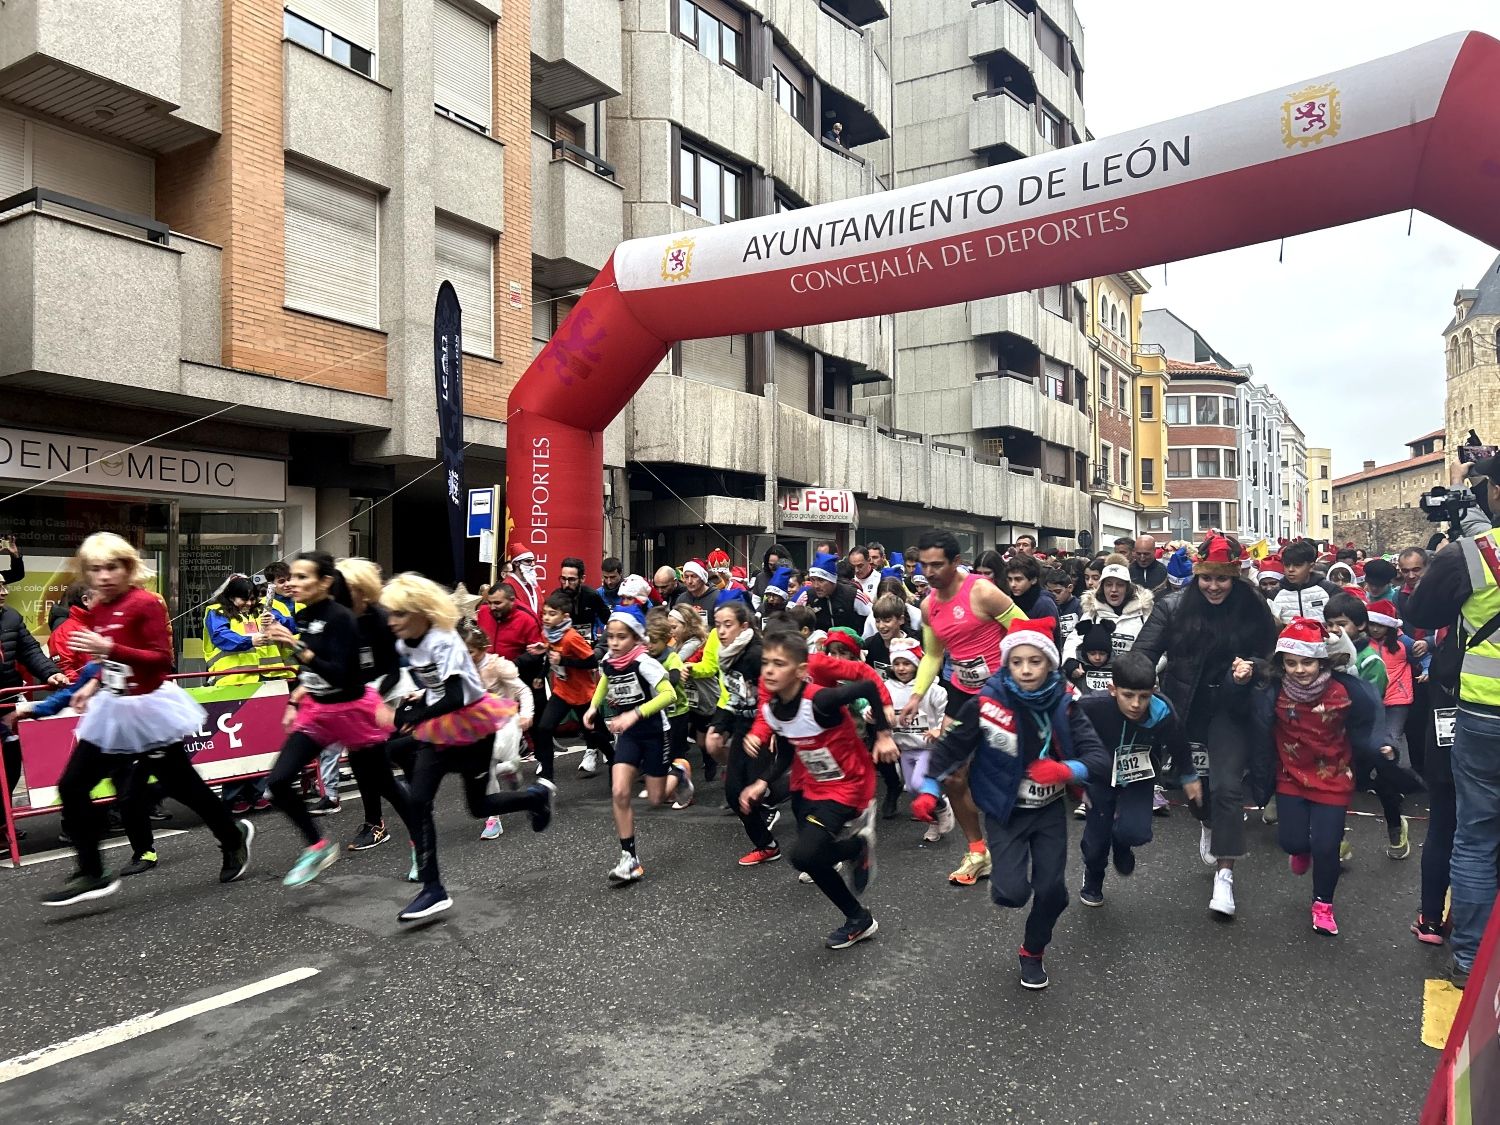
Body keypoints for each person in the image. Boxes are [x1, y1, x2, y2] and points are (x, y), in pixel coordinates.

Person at [44, 533, 252, 906]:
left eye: (112, 567)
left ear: (127, 567)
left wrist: (108, 649)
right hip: (113, 708)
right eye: (95, 569)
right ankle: (92, 871)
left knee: (184, 786)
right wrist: (91, 685)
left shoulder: (145, 603)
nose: (104, 576)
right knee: (73, 786)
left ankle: (232, 835)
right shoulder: (100, 608)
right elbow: (111, 663)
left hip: (149, 709)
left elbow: (159, 661)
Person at [915, 619, 1110, 989]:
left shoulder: (1066, 706)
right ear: (1006, 664)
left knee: (1053, 892)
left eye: (1035, 661)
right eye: (1017, 661)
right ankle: (1006, 879)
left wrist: (1065, 769)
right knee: (1011, 893)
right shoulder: (986, 704)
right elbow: (950, 748)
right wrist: (928, 788)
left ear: (1050, 664)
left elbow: (1098, 757)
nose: (1025, 669)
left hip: (1049, 812)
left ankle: (1032, 951)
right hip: (1005, 811)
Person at [381, 573, 556, 921]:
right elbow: (393, 670)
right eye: (391, 613)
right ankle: (433, 889)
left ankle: (535, 796)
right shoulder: (405, 641)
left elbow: (458, 695)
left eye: (400, 613)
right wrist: (390, 698)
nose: (393, 621)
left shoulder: (444, 640)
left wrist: (417, 714)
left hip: (472, 726)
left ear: (419, 612)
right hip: (438, 728)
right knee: (418, 800)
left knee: (478, 807)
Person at [1132, 533, 1280, 919]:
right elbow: (1143, 655)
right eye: (1207, 578)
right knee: (1195, 790)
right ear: (1197, 576)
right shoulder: (1172, 607)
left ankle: (1225, 875)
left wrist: (1252, 668)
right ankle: (1209, 822)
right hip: (1185, 709)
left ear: (1235, 578)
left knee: (1229, 787)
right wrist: (1131, 689)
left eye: (1222, 579)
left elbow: (1272, 657)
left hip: (1231, 708)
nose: (1214, 586)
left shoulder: (1254, 606)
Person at [259, 553, 412, 889]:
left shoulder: (363, 619)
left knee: (380, 780)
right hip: (320, 710)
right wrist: (294, 696)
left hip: (358, 707)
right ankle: (319, 844)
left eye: (302, 577)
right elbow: (311, 666)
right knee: (278, 783)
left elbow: (355, 673)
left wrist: (295, 645)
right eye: (292, 577)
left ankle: (420, 844)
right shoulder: (306, 614)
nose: (293, 584)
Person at [1405, 452, 1500, 988]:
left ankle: (1469, 958)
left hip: (1485, 713)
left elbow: (1420, 614)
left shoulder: (1476, 554)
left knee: (1476, 835)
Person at [739, 628, 895, 949]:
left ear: (799, 672)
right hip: (812, 784)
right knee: (811, 857)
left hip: (848, 784)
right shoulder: (773, 709)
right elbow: (786, 750)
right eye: (766, 662)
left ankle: (855, 860)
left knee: (805, 854)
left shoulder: (821, 701)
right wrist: (762, 782)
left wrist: (882, 735)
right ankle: (857, 910)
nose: (768, 670)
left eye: (779, 664)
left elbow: (867, 685)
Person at [1240, 618, 1385, 936]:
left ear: (1322, 660)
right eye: (1291, 663)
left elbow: (1370, 717)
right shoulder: (1273, 690)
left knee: (1327, 846)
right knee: (1291, 842)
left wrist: (1381, 745)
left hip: (1334, 777)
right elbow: (1248, 682)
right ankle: (1300, 849)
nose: (1299, 669)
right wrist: (1240, 673)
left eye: (1307, 662)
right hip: (1290, 775)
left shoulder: (1344, 690)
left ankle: (1323, 904)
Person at [901, 529, 1028, 888]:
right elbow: (934, 655)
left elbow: (1026, 631)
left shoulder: (983, 591)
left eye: (937, 565)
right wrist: (916, 694)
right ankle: (977, 851)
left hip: (1002, 690)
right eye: (923, 565)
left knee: (1007, 772)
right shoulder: (928, 605)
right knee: (953, 775)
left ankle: (1024, 840)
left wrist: (1024, 680)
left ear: (956, 562)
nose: (928, 572)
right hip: (961, 693)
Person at [1076, 652, 1199, 907]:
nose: (1136, 704)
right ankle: (1093, 878)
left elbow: (1179, 745)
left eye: (1144, 696)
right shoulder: (1091, 706)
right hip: (1099, 778)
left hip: (1138, 777)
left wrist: (1189, 775)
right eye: (1128, 695)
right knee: (1096, 842)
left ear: (1153, 690)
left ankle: (1122, 845)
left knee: (1136, 832)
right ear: (1112, 689)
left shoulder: (1162, 713)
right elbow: (1065, 733)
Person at [583, 605, 677, 884]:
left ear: (636, 638)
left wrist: (634, 714)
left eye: (621, 637)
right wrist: (592, 707)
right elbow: (605, 679)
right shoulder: (611, 661)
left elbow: (669, 694)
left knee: (656, 797)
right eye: (610, 636)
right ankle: (629, 858)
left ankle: (680, 774)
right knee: (620, 791)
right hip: (629, 735)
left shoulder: (645, 662)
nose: (614, 642)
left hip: (654, 731)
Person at [0, 575, 68, 816]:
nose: (4, 592)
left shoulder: (11, 616)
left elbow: (30, 651)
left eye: (3, 585)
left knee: (9, 767)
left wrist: (51, 673)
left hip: (6, 706)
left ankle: (3, 824)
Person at [533, 589, 612, 781]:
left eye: (552, 614)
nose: (547, 618)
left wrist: (564, 661)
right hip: (562, 692)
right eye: (545, 613)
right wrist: (540, 675)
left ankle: (613, 757)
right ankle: (547, 776)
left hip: (582, 694)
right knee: (544, 728)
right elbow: (550, 657)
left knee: (595, 735)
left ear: (564, 616)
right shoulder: (548, 634)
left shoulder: (571, 637)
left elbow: (592, 662)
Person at [465, 623, 535, 840]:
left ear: (483, 649)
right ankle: (493, 819)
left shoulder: (498, 666)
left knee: (496, 766)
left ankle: (513, 767)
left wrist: (526, 714)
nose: (467, 657)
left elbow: (523, 690)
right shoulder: (464, 669)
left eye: (471, 652)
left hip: (506, 721)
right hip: (481, 724)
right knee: (488, 767)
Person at [883, 638, 951, 844]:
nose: (901, 668)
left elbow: (946, 710)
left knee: (919, 782)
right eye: (897, 663)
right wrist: (871, 713)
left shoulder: (933, 689)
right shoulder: (887, 688)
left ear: (918, 664)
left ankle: (940, 806)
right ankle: (934, 819)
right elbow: (878, 706)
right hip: (905, 747)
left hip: (929, 748)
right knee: (912, 789)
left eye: (907, 663)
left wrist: (939, 728)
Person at [1061, 559, 1153, 665]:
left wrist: (1145, 671)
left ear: (1127, 588)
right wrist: (1070, 661)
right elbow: (1074, 640)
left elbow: (1159, 650)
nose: (1114, 589)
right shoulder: (1093, 613)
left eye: (1120, 585)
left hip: (1134, 679)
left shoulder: (1144, 614)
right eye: (1109, 584)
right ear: (1102, 587)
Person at [1271, 540, 1345, 624]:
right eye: (1287, 565)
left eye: (1297, 565)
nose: (1290, 570)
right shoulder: (1275, 594)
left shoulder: (1330, 590)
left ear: (1311, 567)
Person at [805, 553, 868, 633]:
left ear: (832, 580)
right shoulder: (807, 596)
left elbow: (872, 617)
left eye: (821, 580)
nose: (816, 586)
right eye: (812, 580)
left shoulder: (853, 595)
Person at [557, 556, 611, 642]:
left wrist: (602, 645)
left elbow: (610, 621)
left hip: (587, 647)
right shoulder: (556, 597)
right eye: (563, 579)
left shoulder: (592, 596)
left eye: (571, 580)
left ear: (582, 579)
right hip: (563, 648)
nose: (566, 584)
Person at [47, 583, 94, 682]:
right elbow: (64, 669)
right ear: (85, 600)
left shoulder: (101, 624)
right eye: (100, 595)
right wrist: (87, 688)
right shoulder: (64, 631)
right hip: (83, 693)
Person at [674, 560, 719, 624]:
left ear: (702, 578)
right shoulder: (681, 600)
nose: (690, 581)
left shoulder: (717, 597)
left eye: (694, 576)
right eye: (686, 577)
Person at [1044, 568, 1081, 646]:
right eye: (1049, 592)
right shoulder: (1047, 607)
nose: (1053, 596)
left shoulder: (1080, 607)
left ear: (1070, 588)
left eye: (1058, 592)